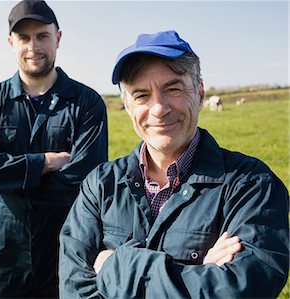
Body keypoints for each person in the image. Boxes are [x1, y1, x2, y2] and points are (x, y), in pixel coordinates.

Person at [59, 30, 289, 298]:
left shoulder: (251, 185)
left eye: (173, 88)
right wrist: (197, 273)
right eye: (142, 95)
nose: (159, 108)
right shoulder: (99, 185)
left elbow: (243, 289)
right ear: (128, 105)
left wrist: (113, 264)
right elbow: (73, 290)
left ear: (200, 94)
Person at [0, 0, 108, 298]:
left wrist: (2, 171)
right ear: (11, 42)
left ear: (58, 38)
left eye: (42, 36)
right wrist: (46, 162)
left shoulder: (87, 104)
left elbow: (83, 181)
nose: (33, 46)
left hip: (64, 240)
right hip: (2, 245)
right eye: (24, 38)